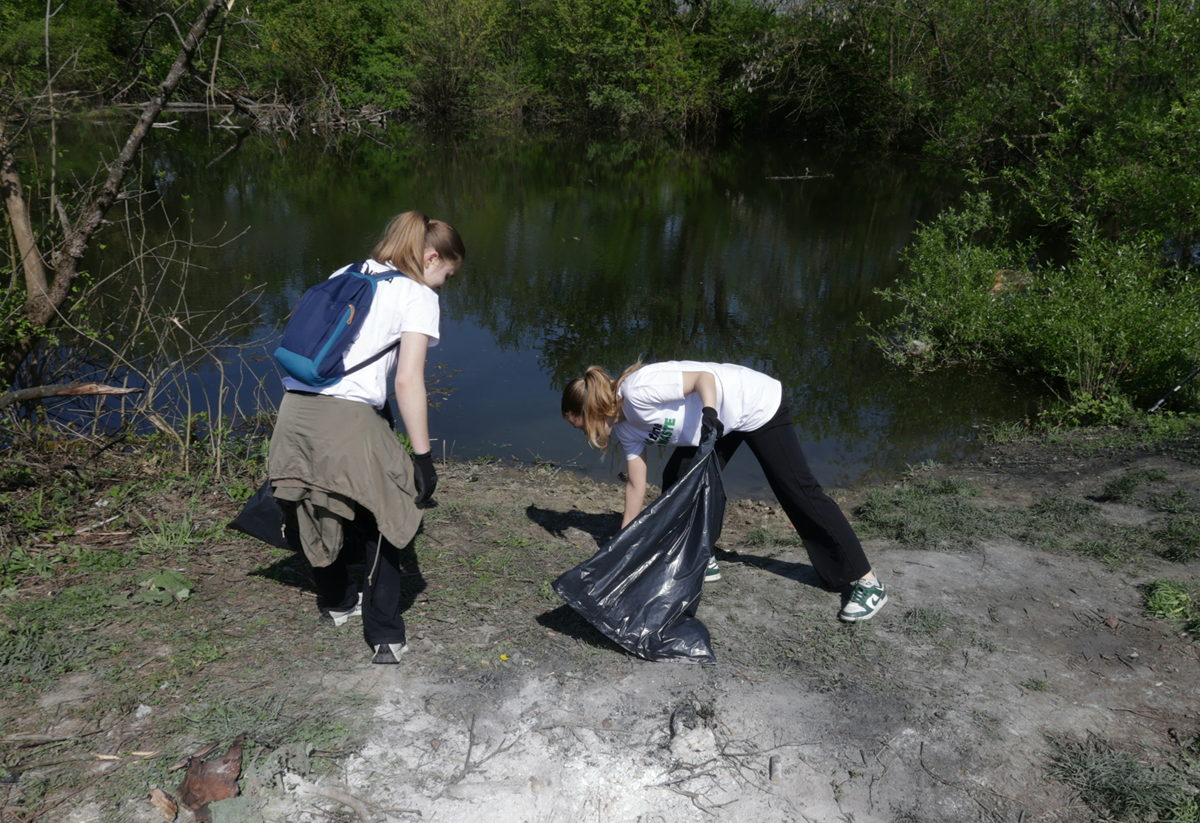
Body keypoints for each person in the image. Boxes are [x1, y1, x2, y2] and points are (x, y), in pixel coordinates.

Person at [269, 211, 465, 663]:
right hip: (347, 419)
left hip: (294, 413)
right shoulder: (417, 294)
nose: (441, 286)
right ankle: (385, 634)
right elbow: (408, 380)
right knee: (391, 511)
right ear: (430, 257)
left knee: (318, 505)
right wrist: (423, 457)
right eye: (446, 276)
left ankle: (336, 603)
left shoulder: (349, 273)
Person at [561, 360, 887, 622]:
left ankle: (866, 581)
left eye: (581, 426)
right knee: (677, 478)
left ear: (592, 410)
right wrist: (623, 546)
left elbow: (704, 379)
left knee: (797, 491)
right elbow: (636, 484)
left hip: (754, 403)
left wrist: (710, 415)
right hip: (720, 421)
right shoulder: (627, 427)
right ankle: (703, 556)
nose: (585, 433)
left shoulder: (639, 390)